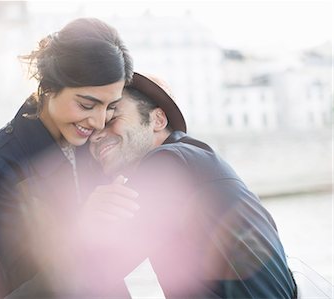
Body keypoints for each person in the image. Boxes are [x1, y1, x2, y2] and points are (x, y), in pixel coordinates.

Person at [84, 72, 299, 298]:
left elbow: (98, 270)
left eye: (111, 119)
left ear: (157, 120)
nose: (95, 137)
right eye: (90, 130)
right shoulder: (195, 158)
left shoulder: (167, 162)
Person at [0, 17, 133, 298]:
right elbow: (28, 279)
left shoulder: (96, 139)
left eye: (110, 107)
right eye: (86, 104)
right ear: (49, 86)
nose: (98, 121)